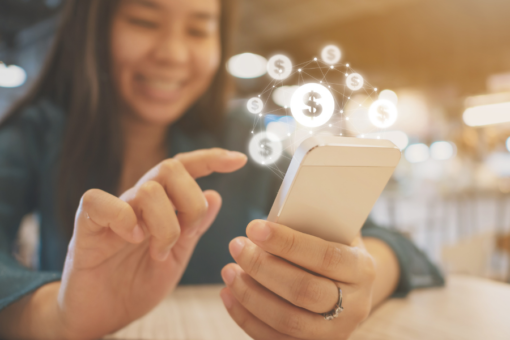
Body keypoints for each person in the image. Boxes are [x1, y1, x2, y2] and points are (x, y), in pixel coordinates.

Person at [0, 0, 443, 339]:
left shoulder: (243, 138)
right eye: (144, 21)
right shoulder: (38, 130)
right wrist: (58, 315)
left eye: (198, 28)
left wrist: (353, 287)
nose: (174, 53)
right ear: (93, 26)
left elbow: (401, 251)